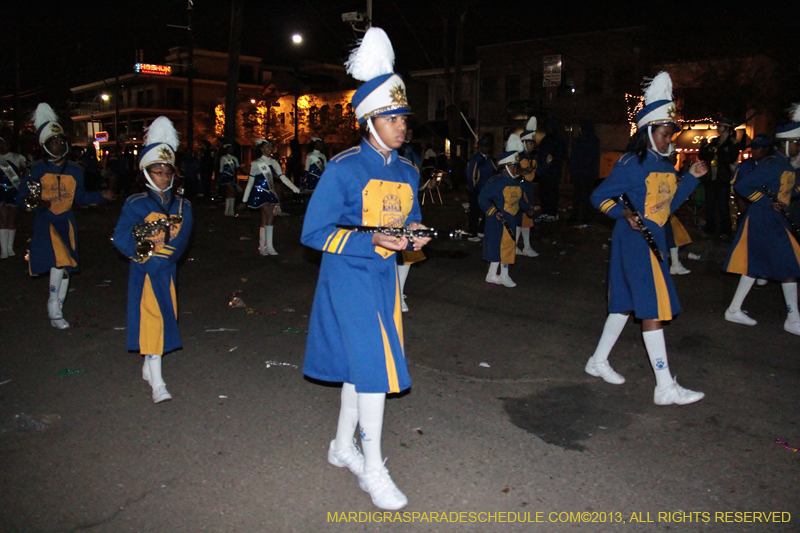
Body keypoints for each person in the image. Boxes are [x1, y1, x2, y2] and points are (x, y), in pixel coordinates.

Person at [301, 27, 431, 511]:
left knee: (362, 368)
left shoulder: (407, 171)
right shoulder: (342, 168)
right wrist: (369, 238)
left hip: (382, 282)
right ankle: (373, 468)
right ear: (369, 120)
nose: (402, 126)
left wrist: (415, 238)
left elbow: (407, 225)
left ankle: (341, 447)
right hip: (347, 280)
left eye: (403, 118)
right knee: (374, 369)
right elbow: (313, 232)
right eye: (393, 117)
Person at [584, 72, 708, 406]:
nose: (669, 141)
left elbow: (667, 208)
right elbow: (599, 197)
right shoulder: (630, 163)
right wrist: (621, 213)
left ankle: (597, 361)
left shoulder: (666, 166)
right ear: (649, 131)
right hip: (634, 243)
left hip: (654, 242)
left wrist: (692, 179)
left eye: (670, 135)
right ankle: (665, 386)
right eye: (665, 135)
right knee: (652, 309)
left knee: (624, 306)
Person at [112, 117, 193, 403]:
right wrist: (143, 257)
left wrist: (161, 260)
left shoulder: (183, 205)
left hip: (166, 270)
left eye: (167, 171)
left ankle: (149, 365)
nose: (164, 177)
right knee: (152, 319)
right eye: (157, 171)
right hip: (144, 272)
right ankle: (158, 383)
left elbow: (181, 240)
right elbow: (121, 237)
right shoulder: (136, 204)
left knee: (164, 317)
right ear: (147, 173)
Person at [17, 103, 113, 329]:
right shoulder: (35, 170)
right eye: (54, 142)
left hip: (66, 222)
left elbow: (79, 198)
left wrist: (101, 195)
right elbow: (22, 198)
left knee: (66, 268)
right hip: (46, 221)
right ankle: (53, 305)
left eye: (61, 141)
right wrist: (36, 202)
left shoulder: (75, 169)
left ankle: (58, 307)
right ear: (45, 145)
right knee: (58, 260)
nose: (59, 145)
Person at [723, 111, 800, 336]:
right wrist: (768, 203)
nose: (798, 148)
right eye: (797, 144)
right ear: (787, 144)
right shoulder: (772, 164)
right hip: (763, 220)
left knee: (754, 266)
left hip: (774, 221)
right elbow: (743, 186)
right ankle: (793, 318)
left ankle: (734, 309)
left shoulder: (785, 165)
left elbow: (786, 193)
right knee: (789, 266)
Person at [478, 134, 534, 288]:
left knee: (507, 247)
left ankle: (493, 274)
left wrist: (527, 208)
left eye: (517, 167)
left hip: (510, 220)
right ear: (506, 167)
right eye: (514, 167)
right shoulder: (495, 182)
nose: (516, 170)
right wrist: (492, 212)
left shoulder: (517, 182)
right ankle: (502, 275)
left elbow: (519, 200)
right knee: (499, 248)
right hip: (497, 221)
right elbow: (482, 199)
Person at [242, 138, 301, 255]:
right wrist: (244, 200)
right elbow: (250, 183)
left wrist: (296, 189)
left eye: (271, 147)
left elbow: (282, 178)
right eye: (267, 147)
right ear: (261, 148)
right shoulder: (256, 163)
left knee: (266, 218)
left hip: (269, 193)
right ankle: (269, 246)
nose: (270, 149)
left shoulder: (274, 163)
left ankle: (263, 247)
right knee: (270, 215)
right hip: (259, 193)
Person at [699, 118, 741, 238]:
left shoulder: (732, 143)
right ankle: (710, 229)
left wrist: (718, 152)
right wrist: (703, 147)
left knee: (723, 205)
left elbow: (730, 158)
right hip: (711, 178)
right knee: (710, 205)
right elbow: (703, 156)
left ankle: (725, 231)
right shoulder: (714, 142)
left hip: (723, 179)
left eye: (720, 125)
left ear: (727, 128)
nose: (718, 127)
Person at [568, 119, 601, 226]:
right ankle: (579, 215)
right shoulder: (588, 141)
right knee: (580, 195)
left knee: (583, 196)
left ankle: (583, 216)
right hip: (584, 173)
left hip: (584, 173)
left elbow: (577, 157)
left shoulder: (585, 141)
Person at [535, 119, 568, 222]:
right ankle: (545, 212)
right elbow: (540, 154)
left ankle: (551, 213)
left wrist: (553, 161)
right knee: (543, 192)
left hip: (553, 172)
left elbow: (563, 156)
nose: (548, 129)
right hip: (544, 172)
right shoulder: (545, 140)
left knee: (552, 192)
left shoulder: (559, 141)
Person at [0, 135, 26, 258]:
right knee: (2, 219)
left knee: (11, 219)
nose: (1, 146)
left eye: (3, 143)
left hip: (14, 191)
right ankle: (3, 250)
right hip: (1, 192)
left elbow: (28, 170)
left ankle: (10, 248)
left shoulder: (17, 157)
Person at [465, 136, 495, 241]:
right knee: (475, 212)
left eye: (488, 147)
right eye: (485, 146)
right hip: (477, 190)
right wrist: (473, 188)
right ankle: (472, 233)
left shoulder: (488, 159)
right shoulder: (476, 159)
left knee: (487, 211)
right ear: (480, 147)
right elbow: (471, 175)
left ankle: (481, 230)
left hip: (487, 189)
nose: (487, 149)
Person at [517, 117, 539, 256]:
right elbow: (524, 175)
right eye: (530, 142)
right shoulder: (519, 157)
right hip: (521, 189)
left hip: (527, 189)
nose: (533, 145)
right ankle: (521, 246)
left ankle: (525, 246)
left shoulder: (531, 157)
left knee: (526, 220)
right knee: (520, 219)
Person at [217, 143, 243, 216]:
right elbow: (221, 168)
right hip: (226, 177)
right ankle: (229, 211)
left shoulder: (234, 158)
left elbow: (238, 167)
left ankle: (229, 211)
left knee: (229, 193)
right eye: (229, 149)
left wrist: (245, 173)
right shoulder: (223, 158)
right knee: (232, 191)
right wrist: (219, 178)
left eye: (232, 149)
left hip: (233, 177)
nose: (231, 150)